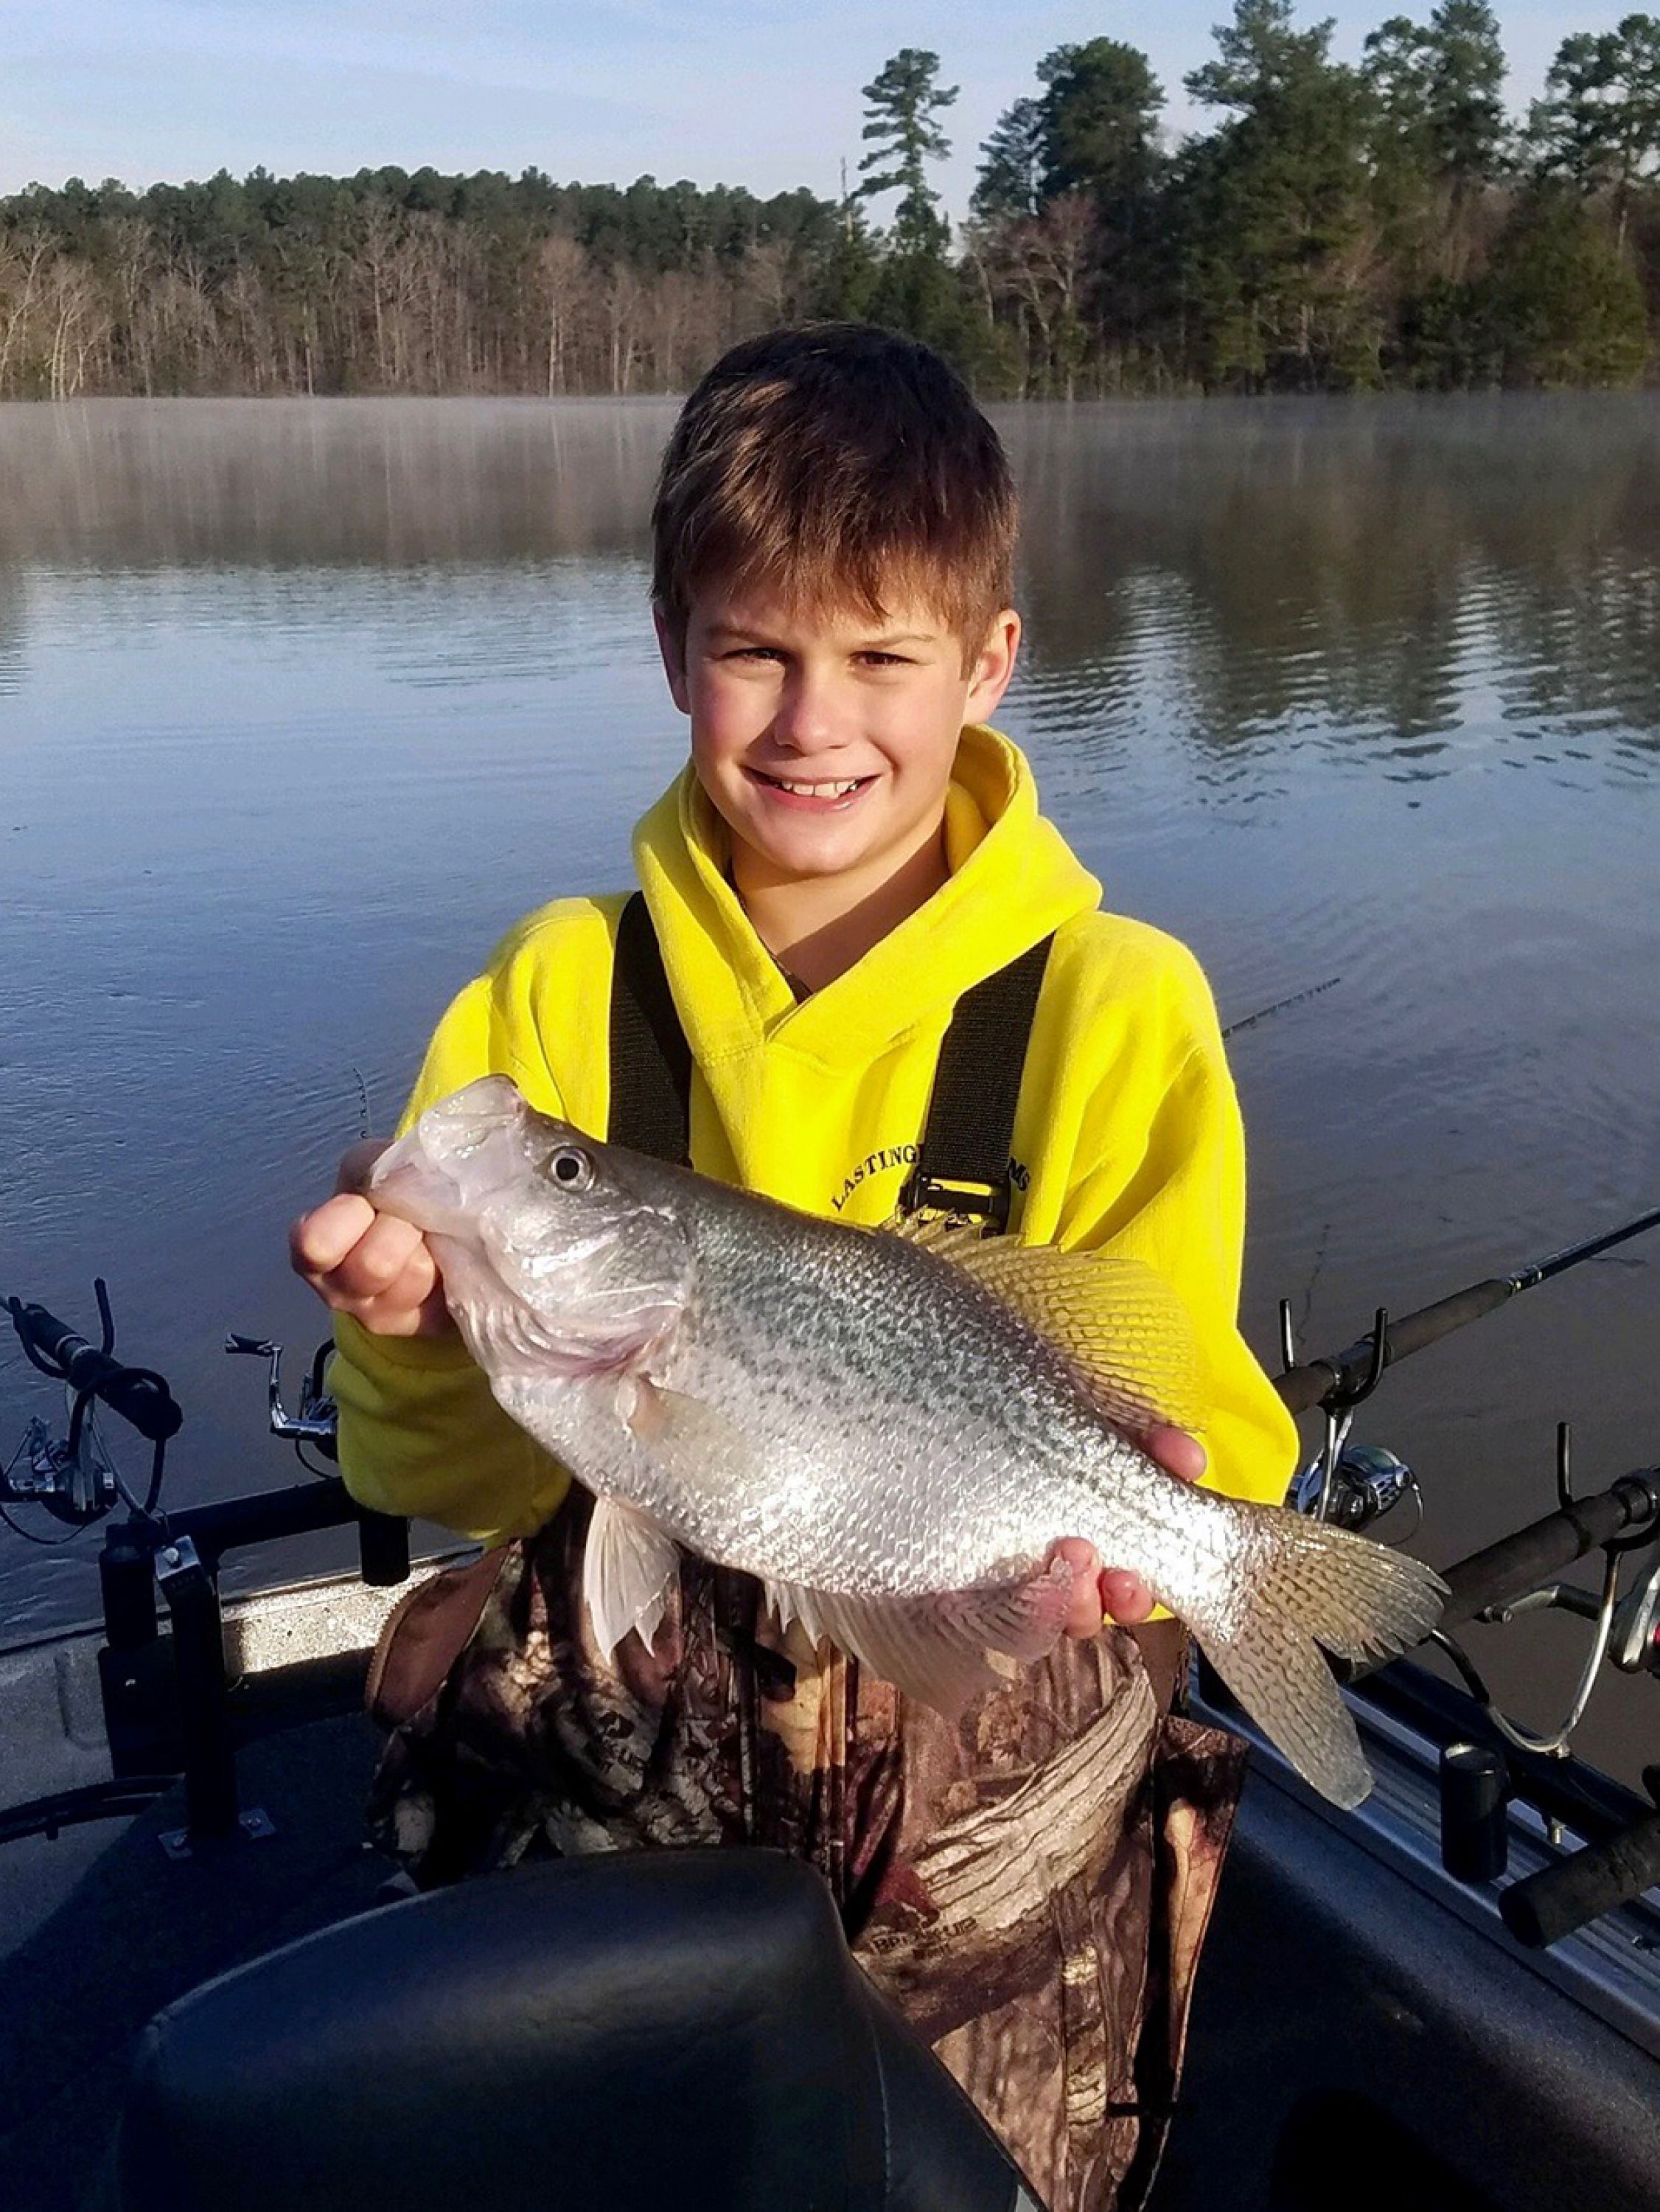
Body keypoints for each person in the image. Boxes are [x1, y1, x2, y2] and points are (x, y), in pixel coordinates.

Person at [290, 322, 1299, 2212]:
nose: (811, 723)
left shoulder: (1117, 1008)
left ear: (989, 663)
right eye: (753, 651)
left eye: (881, 659)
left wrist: (1164, 1555)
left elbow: (1190, 1434)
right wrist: (414, 1336)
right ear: (672, 648)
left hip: (992, 1887)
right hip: (629, 1854)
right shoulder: (557, 992)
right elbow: (438, 1475)